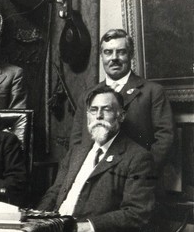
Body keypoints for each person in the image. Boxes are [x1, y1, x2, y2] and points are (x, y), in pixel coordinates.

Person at [38, 86, 156, 232]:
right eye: (93, 110)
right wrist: (37, 219)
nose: (99, 115)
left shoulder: (137, 157)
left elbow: (137, 213)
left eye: (107, 109)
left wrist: (86, 226)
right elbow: (55, 192)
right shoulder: (77, 152)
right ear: (87, 116)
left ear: (121, 115)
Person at [69, 29, 174, 175]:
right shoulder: (87, 95)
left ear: (131, 55)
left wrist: (142, 173)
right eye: (108, 52)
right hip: (93, 179)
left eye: (121, 52)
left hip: (136, 179)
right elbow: (77, 141)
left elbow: (165, 139)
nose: (114, 58)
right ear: (101, 57)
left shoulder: (152, 92)